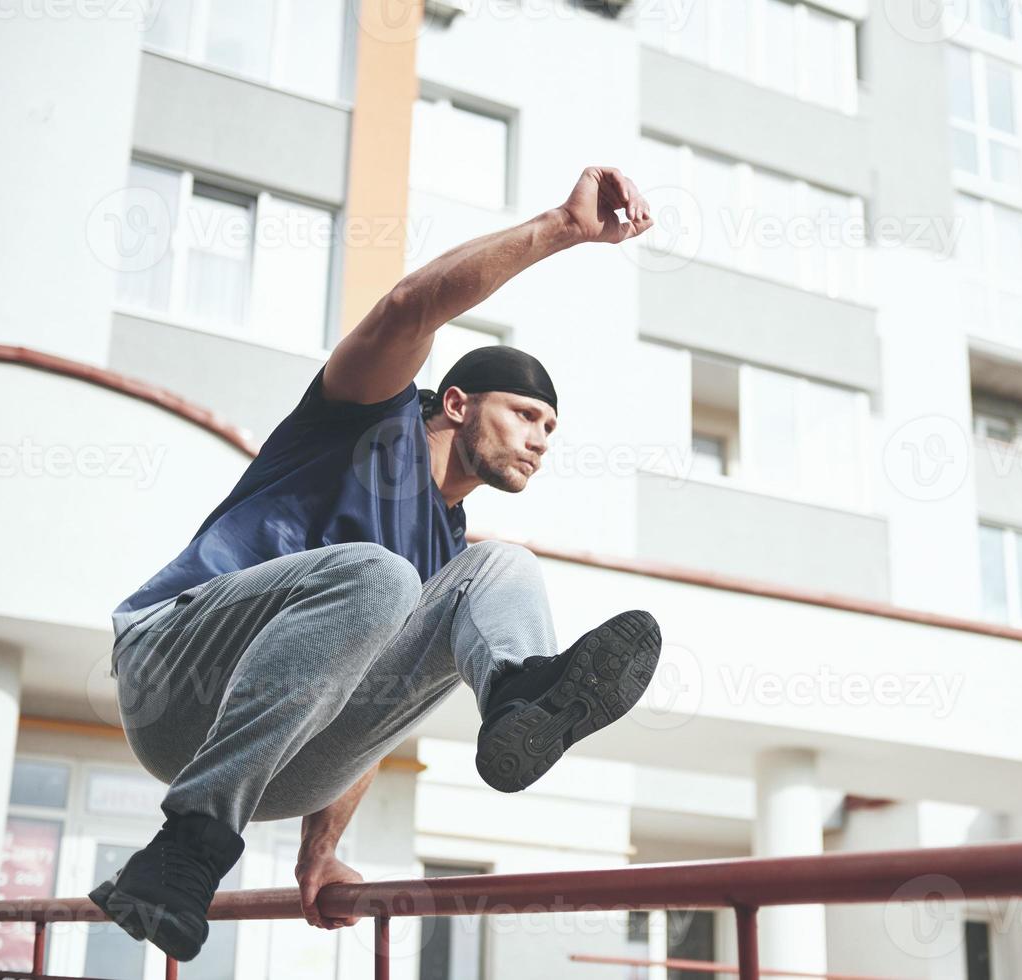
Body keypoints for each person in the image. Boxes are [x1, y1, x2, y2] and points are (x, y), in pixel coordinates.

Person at [89, 167, 660, 962]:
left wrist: (317, 855)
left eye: (551, 429)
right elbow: (410, 305)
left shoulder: (445, 552)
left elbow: (375, 700)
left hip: (282, 770)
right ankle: (185, 846)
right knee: (382, 576)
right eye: (525, 415)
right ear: (457, 404)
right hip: (172, 683)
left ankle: (519, 693)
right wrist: (561, 229)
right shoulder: (366, 411)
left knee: (497, 569)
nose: (539, 439)